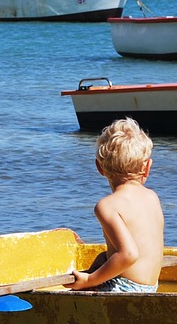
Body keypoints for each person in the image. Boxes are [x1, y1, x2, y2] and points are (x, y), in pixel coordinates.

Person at [68, 118, 165, 293]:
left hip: (125, 288)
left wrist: (89, 279)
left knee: (78, 291)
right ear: (147, 167)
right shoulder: (152, 197)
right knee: (102, 259)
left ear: (99, 167)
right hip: (151, 286)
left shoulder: (107, 206)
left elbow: (128, 254)